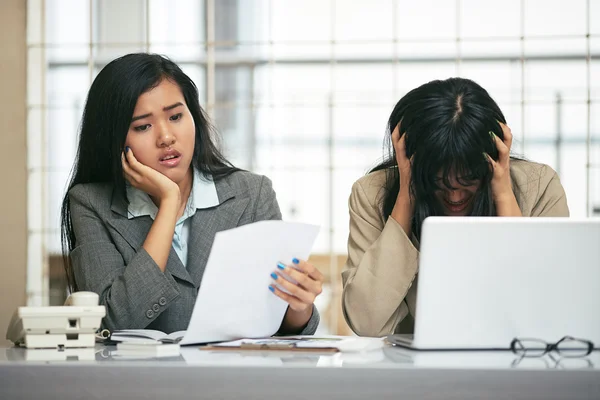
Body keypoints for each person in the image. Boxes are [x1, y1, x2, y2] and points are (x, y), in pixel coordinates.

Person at [60, 53, 323, 334]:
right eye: (142, 126)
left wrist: (299, 306)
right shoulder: (90, 204)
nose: (166, 137)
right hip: (143, 377)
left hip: (232, 373)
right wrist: (169, 204)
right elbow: (114, 322)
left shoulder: (252, 194)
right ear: (113, 138)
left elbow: (277, 324)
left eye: (175, 116)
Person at [341, 77, 569, 337]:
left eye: (469, 179)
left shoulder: (539, 186)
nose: (455, 195)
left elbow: (546, 310)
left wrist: (503, 195)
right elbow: (365, 322)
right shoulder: (372, 194)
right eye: (438, 182)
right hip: (414, 370)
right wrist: (405, 198)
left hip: (517, 361)